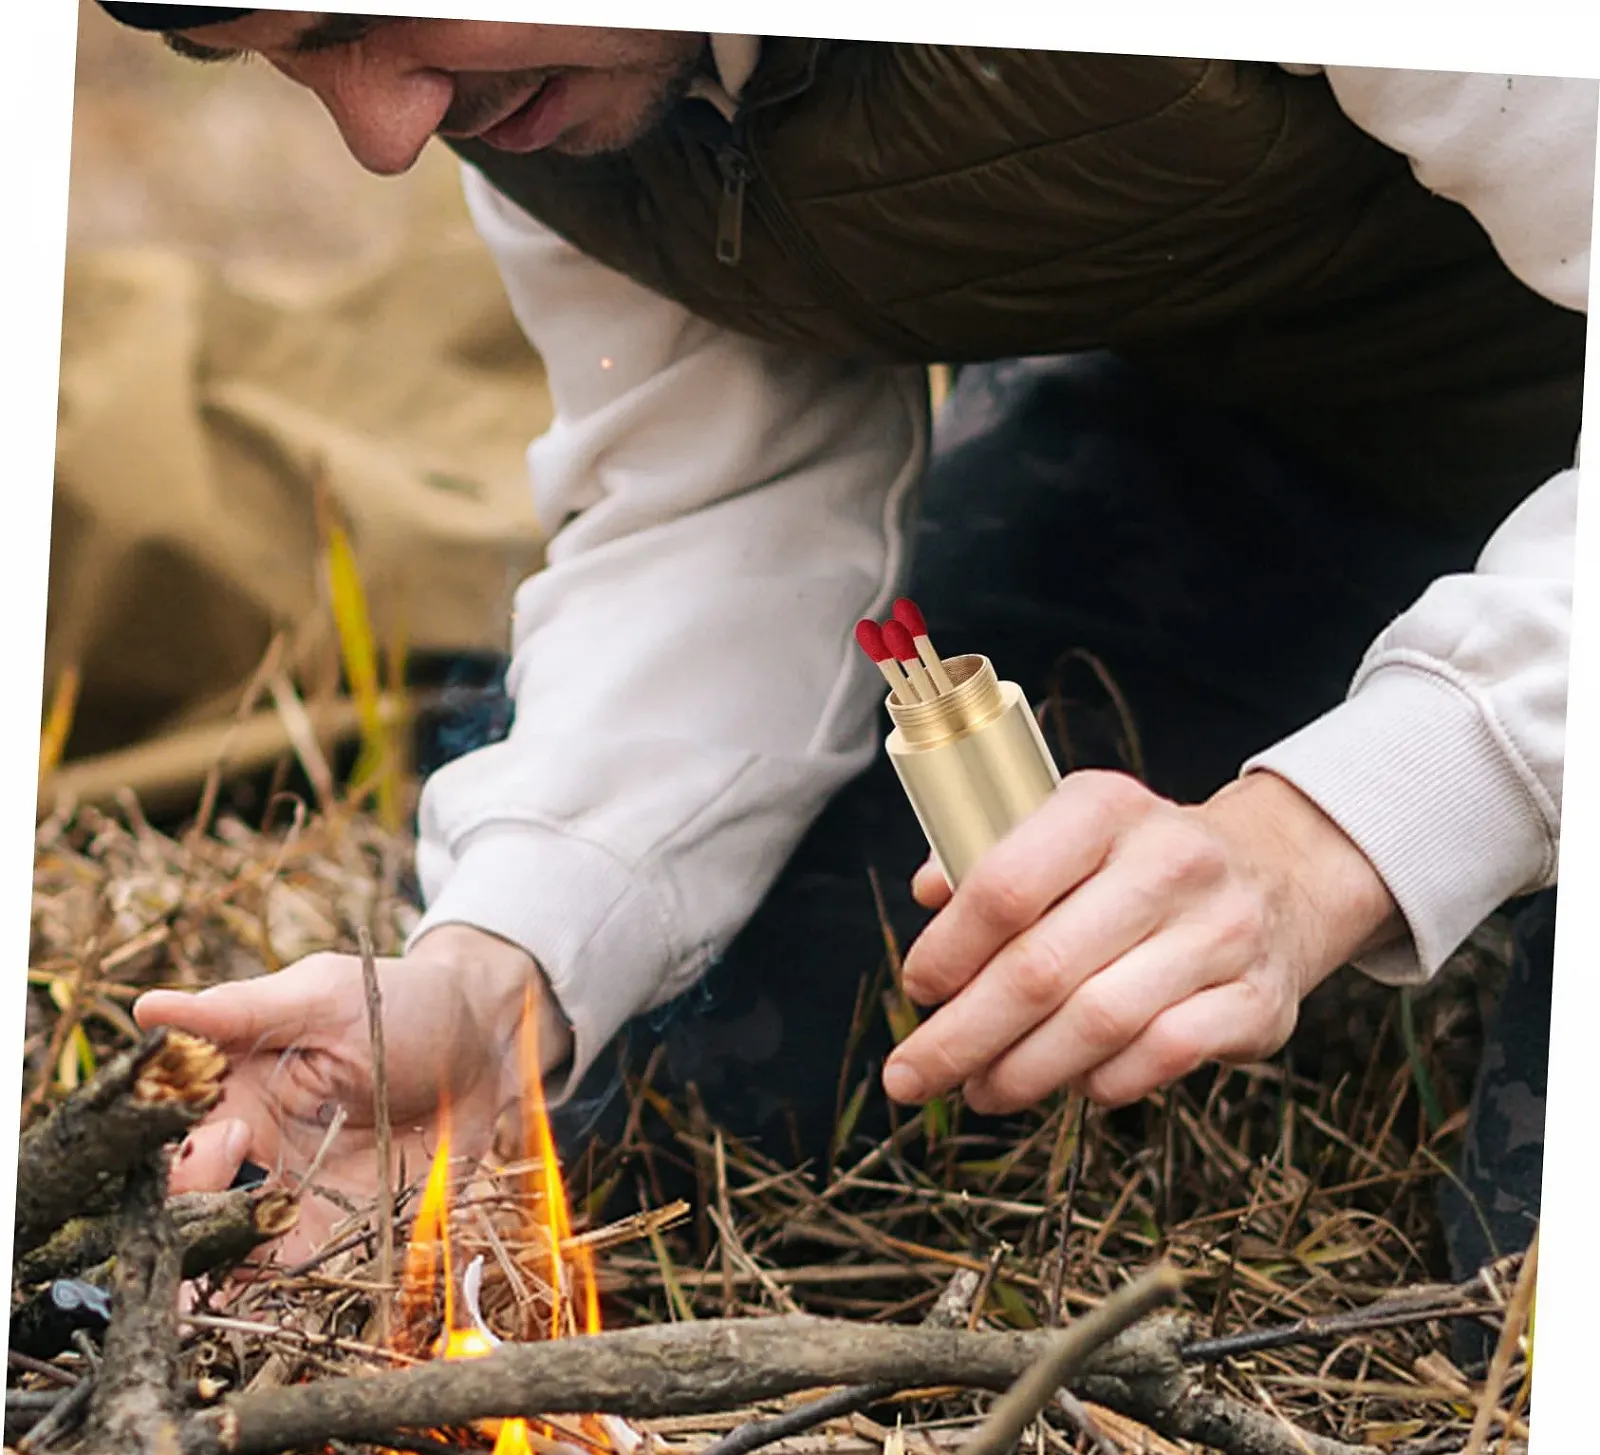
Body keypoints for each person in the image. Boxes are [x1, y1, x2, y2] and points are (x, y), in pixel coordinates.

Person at [97, 9, 1586, 1285]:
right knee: (715, 1092)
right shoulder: (536, 88)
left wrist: (1330, 834)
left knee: (1528, 1312)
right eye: (289, 57)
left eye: (368, 11)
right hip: (1282, 449)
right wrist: (503, 971)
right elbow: (720, 493)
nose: (381, 132)